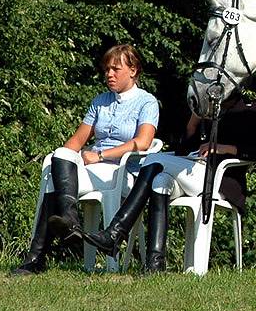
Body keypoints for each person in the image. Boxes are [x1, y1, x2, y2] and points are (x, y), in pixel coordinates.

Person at [78, 91, 256, 273]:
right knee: (160, 181)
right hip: (191, 171)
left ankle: (115, 233)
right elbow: (183, 151)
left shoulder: (253, 110)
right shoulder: (208, 110)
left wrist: (224, 148)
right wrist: (192, 125)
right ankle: (155, 263)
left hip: (218, 179)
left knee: (153, 159)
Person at [11, 44, 159, 275]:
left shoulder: (146, 102)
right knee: (57, 159)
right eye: (106, 69)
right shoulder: (100, 101)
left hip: (121, 170)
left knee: (54, 183)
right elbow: (77, 141)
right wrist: (59, 157)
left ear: (133, 70)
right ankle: (67, 223)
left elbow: (143, 142)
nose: (109, 74)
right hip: (93, 166)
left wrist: (100, 155)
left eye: (115, 69)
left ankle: (38, 257)